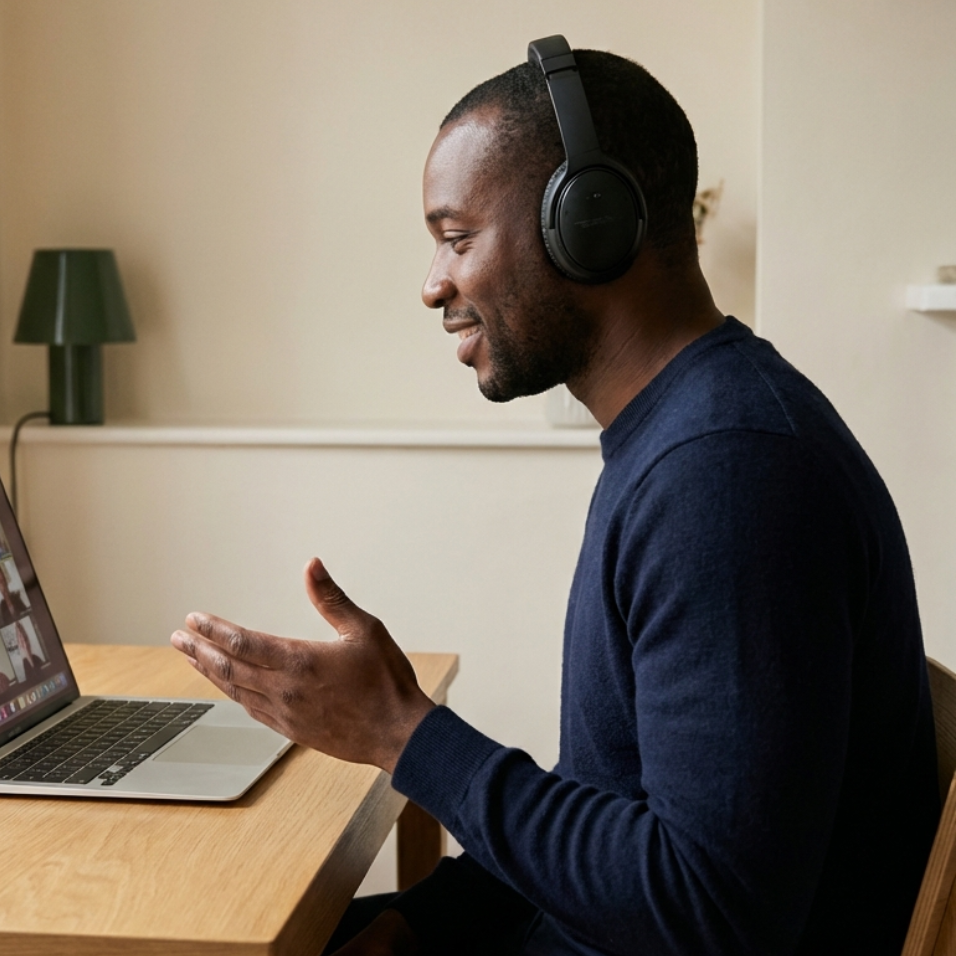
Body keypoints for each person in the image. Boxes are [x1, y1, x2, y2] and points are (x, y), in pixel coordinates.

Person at [171, 40, 939, 956]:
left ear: (591, 221)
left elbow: (716, 914)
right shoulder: (681, 438)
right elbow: (610, 799)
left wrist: (405, 733)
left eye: (457, 239)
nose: (432, 286)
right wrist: (426, 925)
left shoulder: (727, 474)